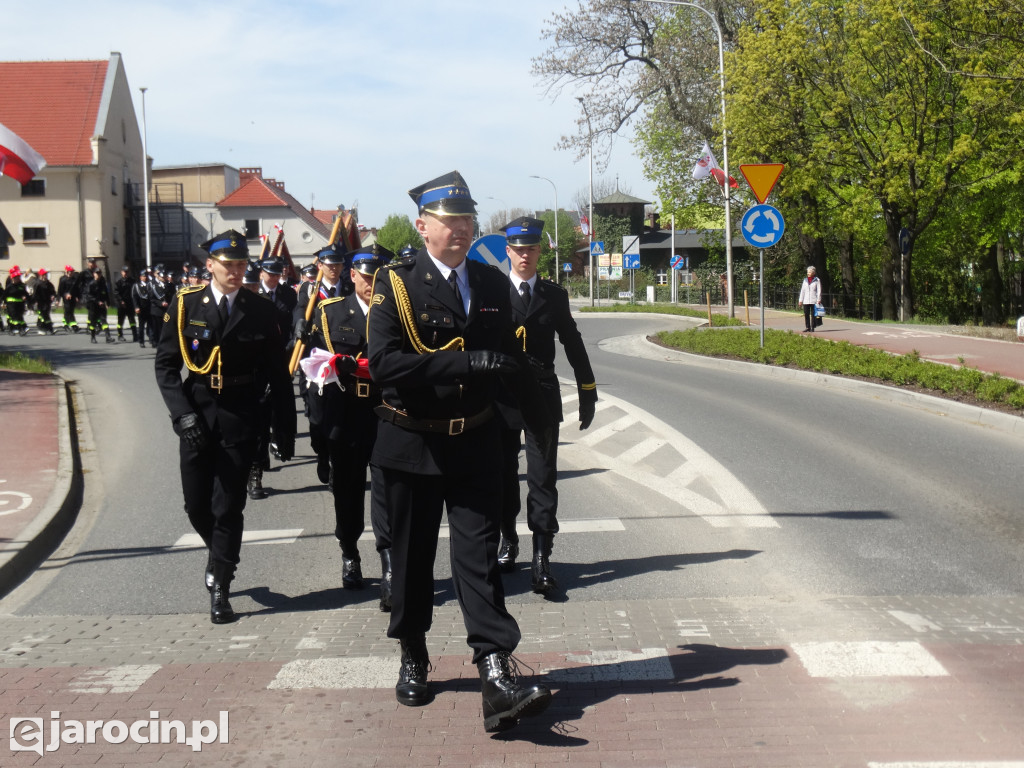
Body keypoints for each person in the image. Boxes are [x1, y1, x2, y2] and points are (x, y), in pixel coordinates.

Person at [366, 171, 553, 733]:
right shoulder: (395, 283)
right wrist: (464, 362)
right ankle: (414, 652)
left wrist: (540, 415)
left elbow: (507, 364)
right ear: (423, 226)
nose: (462, 230)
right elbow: (385, 365)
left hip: (474, 440)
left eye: (469, 220)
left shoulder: (492, 285)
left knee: (478, 557)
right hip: (410, 442)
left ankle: (495, 672)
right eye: (451, 221)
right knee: (413, 558)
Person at [154, 230, 296, 624]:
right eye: (227, 264)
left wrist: (285, 424)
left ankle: (221, 583)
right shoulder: (186, 304)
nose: (235, 271)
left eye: (240, 264)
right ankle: (220, 552)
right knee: (196, 504)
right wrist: (181, 415)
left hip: (240, 413)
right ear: (210, 265)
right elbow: (166, 366)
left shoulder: (261, 310)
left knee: (228, 504)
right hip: (196, 411)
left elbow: (278, 375)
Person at [495, 217, 597, 594]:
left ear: (540, 252)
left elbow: (572, 340)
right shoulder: (493, 290)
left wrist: (587, 389)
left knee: (543, 478)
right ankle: (508, 539)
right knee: (504, 476)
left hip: (540, 393)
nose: (525, 255)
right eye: (518, 249)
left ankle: (541, 555)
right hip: (502, 394)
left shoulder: (554, 294)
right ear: (508, 251)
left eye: (531, 249)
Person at [304, 244, 393, 595]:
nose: (371, 284)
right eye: (366, 277)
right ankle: (349, 551)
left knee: (388, 491)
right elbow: (315, 364)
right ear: (352, 275)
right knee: (348, 491)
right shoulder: (330, 312)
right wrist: (319, 421)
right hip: (347, 413)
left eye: (377, 277)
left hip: (387, 411)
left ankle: (388, 561)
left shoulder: (398, 312)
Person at [295, 244, 351, 487]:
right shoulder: (309, 290)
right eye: (329, 265)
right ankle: (322, 454)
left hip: (341, 361)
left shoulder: (349, 288)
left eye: (338, 264)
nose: (334, 269)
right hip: (317, 364)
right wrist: (298, 323)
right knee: (317, 420)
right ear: (320, 266)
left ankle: (337, 465)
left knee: (341, 419)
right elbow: (299, 312)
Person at [83, 268, 115, 344]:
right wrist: (97, 301)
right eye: (97, 273)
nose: (98, 275)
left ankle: (108, 337)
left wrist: (108, 302)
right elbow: (89, 296)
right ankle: (93, 337)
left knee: (104, 320)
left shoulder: (102, 283)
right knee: (93, 323)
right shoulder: (91, 284)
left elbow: (106, 294)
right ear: (94, 274)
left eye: (99, 273)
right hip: (93, 306)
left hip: (102, 306)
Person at [114, 265, 138, 342]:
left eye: (127, 272)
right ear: (121, 272)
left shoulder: (132, 281)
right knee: (120, 320)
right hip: (121, 304)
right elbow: (116, 293)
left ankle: (135, 335)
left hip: (130, 303)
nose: (126, 273)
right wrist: (121, 301)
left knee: (132, 320)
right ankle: (120, 335)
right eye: (124, 272)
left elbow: (134, 292)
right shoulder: (118, 282)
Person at [4, 266, 29, 335]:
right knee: (13, 316)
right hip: (11, 304)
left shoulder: (21, 285)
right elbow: (5, 294)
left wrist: (26, 298)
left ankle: (16, 328)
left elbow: (25, 293)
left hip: (19, 303)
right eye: (16, 277)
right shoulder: (10, 285)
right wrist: (4, 302)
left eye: (18, 277)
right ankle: (17, 329)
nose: (17, 278)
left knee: (18, 316)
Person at [131, 270, 153, 348]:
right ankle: (141, 341)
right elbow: (134, 297)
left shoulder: (149, 285)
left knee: (151, 325)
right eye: (143, 276)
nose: (145, 277)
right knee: (141, 326)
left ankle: (152, 339)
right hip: (141, 309)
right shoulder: (136, 286)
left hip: (149, 308)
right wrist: (136, 307)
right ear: (140, 277)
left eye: (146, 276)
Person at [33, 268, 57, 334]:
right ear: (40, 275)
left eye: (46, 274)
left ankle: (44, 328)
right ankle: (48, 329)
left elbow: (53, 292)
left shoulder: (49, 284)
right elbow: (35, 294)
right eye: (44, 274)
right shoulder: (37, 284)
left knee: (44, 315)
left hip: (47, 302)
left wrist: (53, 296)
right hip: (41, 302)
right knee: (44, 315)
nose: (45, 276)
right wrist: (33, 301)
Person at [57, 265, 81, 333]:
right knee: (68, 311)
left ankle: (70, 325)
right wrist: (58, 299)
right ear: (67, 271)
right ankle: (70, 325)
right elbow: (60, 290)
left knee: (71, 311)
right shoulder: (63, 279)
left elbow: (76, 289)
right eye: (70, 271)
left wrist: (77, 297)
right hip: (66, 298)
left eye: (72, 271)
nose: (71, 273)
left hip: (73, 298)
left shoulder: (74, 279)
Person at [798, 265, 822, 332]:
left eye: (809, 272)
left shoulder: (817, 280)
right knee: (806, 314)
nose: (808, 273)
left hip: (814, 300)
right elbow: (802, 290)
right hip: (806, 300)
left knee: (813, 314)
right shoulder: (805, 280)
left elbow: (819, 290)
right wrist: (800, 300)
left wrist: (819, 299)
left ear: (813, 273)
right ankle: (807, 327)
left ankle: (812, 327)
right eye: (807, 272)